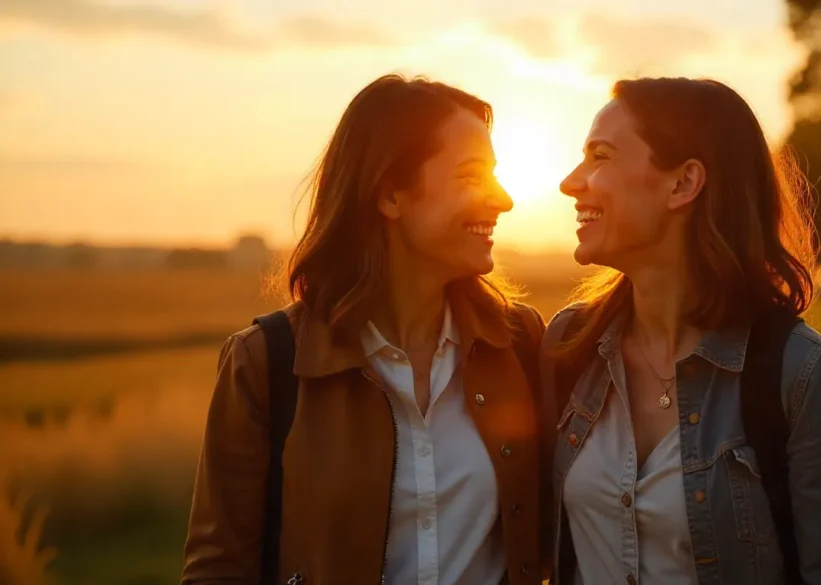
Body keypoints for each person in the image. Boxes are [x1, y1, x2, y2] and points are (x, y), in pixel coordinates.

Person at [182, 74, 547, 585]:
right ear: (390, 195)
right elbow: (218, 568)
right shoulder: (266, 362)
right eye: (471, 177)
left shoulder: (521, 344)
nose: (503, 200)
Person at [540, 77, 821, 585]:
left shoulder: (801, 374)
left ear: (683, 183)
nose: (571, 181)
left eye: (601, 156)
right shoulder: (569, 345)